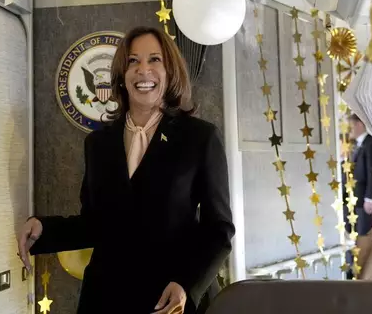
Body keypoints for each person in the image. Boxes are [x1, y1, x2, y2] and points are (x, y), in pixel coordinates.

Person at [17, 26, 235, 314]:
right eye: (133, 61)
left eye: (154, 60)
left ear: (170, 71)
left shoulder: (200, 138)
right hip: (106, 298)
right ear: (122, 74)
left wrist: (187, 283)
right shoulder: (98, 143)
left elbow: (218, 230)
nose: (143, 70)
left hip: (168, 299)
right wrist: (43, 230)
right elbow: (95, 224)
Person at [342, 114, 372, 279]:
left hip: (363, 199)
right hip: (354, 200)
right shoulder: (358, 145)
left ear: (360, 124)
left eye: (351, 126)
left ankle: (363, 270)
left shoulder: (371, 144)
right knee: (355, 234)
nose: (348, 130)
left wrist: (370, 198)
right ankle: (354, 268)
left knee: (363, 235)